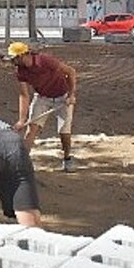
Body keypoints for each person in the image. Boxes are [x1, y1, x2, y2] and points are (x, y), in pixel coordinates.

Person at [7, 42, 79, 172]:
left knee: (64, 131)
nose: (12, 62)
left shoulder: (45, 61)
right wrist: (21, 120)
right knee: (31, 130)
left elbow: (71, 72)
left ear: (23, 55)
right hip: (42, 97)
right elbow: (24, 95)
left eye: (14, 58)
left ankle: (67, 158)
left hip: (63, 97)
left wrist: (71, 95)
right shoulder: (20, 71)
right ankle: (22, 163)